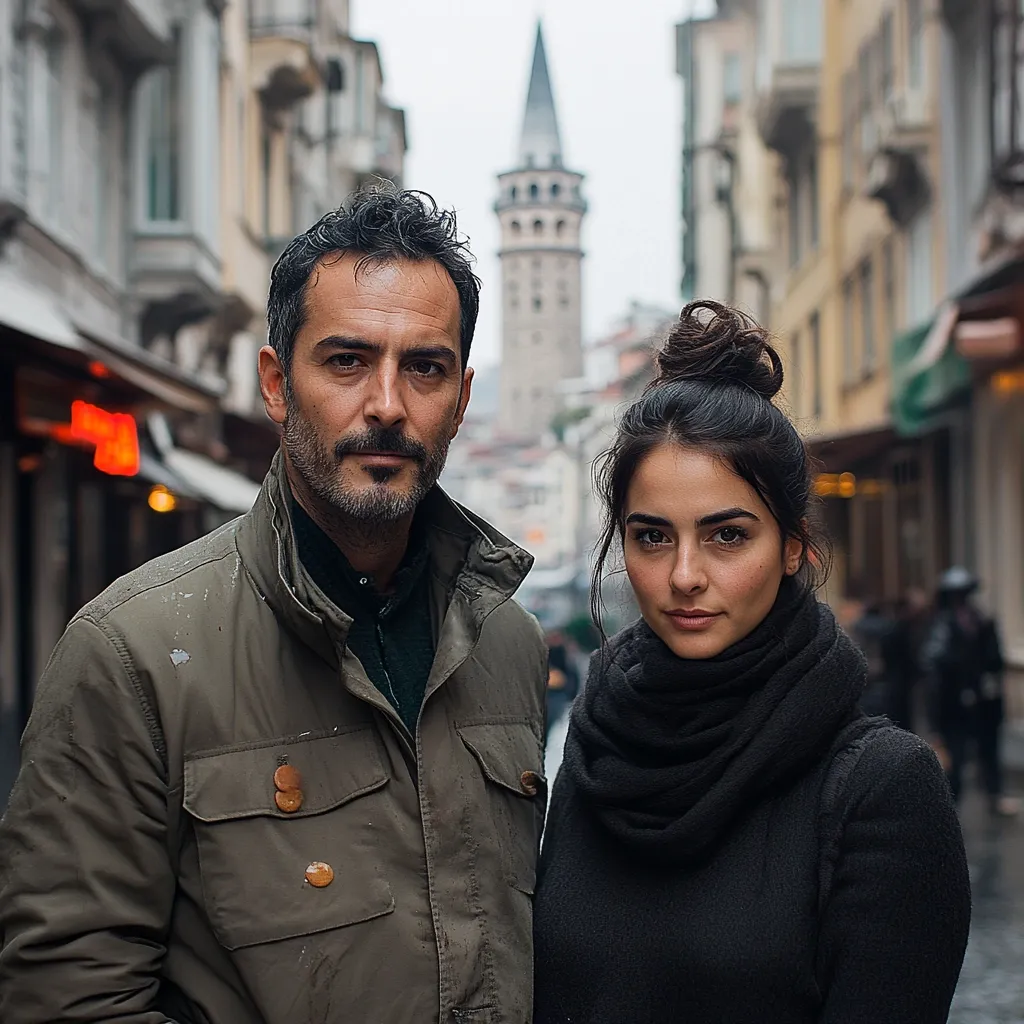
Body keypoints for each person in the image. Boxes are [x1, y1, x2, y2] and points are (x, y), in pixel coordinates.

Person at [0, 187, 549, 1023]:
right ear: (276, 383)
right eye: (346, 361)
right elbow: (68, 998)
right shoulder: (133, 653)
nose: (388, 405)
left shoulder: (507, 643)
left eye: (425, 368)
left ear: (463, 397)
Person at [533, 301, 970, 1024]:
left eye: (727, 536)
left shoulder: (883, 790)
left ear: (794, 545)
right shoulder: (600, 738)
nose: (683, 575)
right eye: (651, 537)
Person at [923, 566, 1020, 817]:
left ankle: (994, 794)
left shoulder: (983, 621)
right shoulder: (943, 626)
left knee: (989, 749)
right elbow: (935, 662)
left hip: (983, 701)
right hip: (954, 704)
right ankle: (950, 803)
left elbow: (994, 659)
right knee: (956, 754)